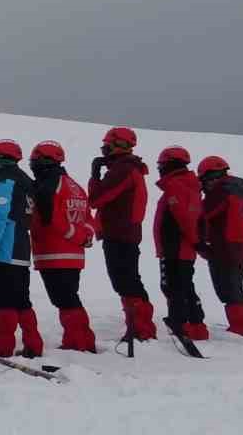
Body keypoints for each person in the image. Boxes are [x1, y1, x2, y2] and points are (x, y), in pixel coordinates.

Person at [88, 126, 157, 341]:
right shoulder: (128, 168)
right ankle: (140, 327)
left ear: (118, 145)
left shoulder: (122, 170)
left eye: (107, 145)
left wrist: (94, 176)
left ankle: (141, 329)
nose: (104, 149)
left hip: (119, 232)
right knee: (129, 280)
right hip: (124, 232)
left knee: (125, 281)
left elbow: (96, 199)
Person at [28, 141, 98, 352]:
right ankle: (81, 340)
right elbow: (88, 219)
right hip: (73, 254)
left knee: (64, 299)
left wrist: (73, 235)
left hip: (54, 252)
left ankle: (78, 342)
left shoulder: (49, 185)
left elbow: (53, 220)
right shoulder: (74, 185)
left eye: (35, 161)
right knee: (69, 297)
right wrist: (83, 237)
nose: (32, 165)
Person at [0, 139, 43, 358]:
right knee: (22, 300)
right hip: (21, 250)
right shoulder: (27, 183)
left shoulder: (6, 183)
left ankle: (5, 348)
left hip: (4, 252)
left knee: (5, 301)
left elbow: (0, 216)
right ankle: (33, 345)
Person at [197, 156, 243, 337]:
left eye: (203, 180)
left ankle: (241, 327)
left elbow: (203, 214)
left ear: (211, 176)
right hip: (240, 246)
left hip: (222, 247)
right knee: (235, 288)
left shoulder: (221, 192)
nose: (204, 185)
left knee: (227, 291)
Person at [154, 146, 209, 341]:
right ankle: (195, 324)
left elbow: (184, 217)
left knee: (173, 286)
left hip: (175, 246)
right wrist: (197, 242)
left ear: (169, 165)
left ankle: (181, 323)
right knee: (184, 285)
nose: (159, 168)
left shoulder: (176, 185)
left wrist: (195, 241)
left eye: (161, 165)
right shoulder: (189, 185)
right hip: (182, 246)